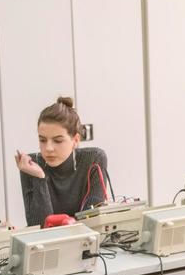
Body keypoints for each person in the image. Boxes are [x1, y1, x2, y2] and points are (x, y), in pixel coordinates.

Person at [13, 97, 112, 226]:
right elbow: (39, 228)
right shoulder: (31, 166)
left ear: (75, 140)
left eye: (58, 140)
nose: (48, 148)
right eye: (42, 140)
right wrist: (39, 177)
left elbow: (92, 222)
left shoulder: (94, 158)